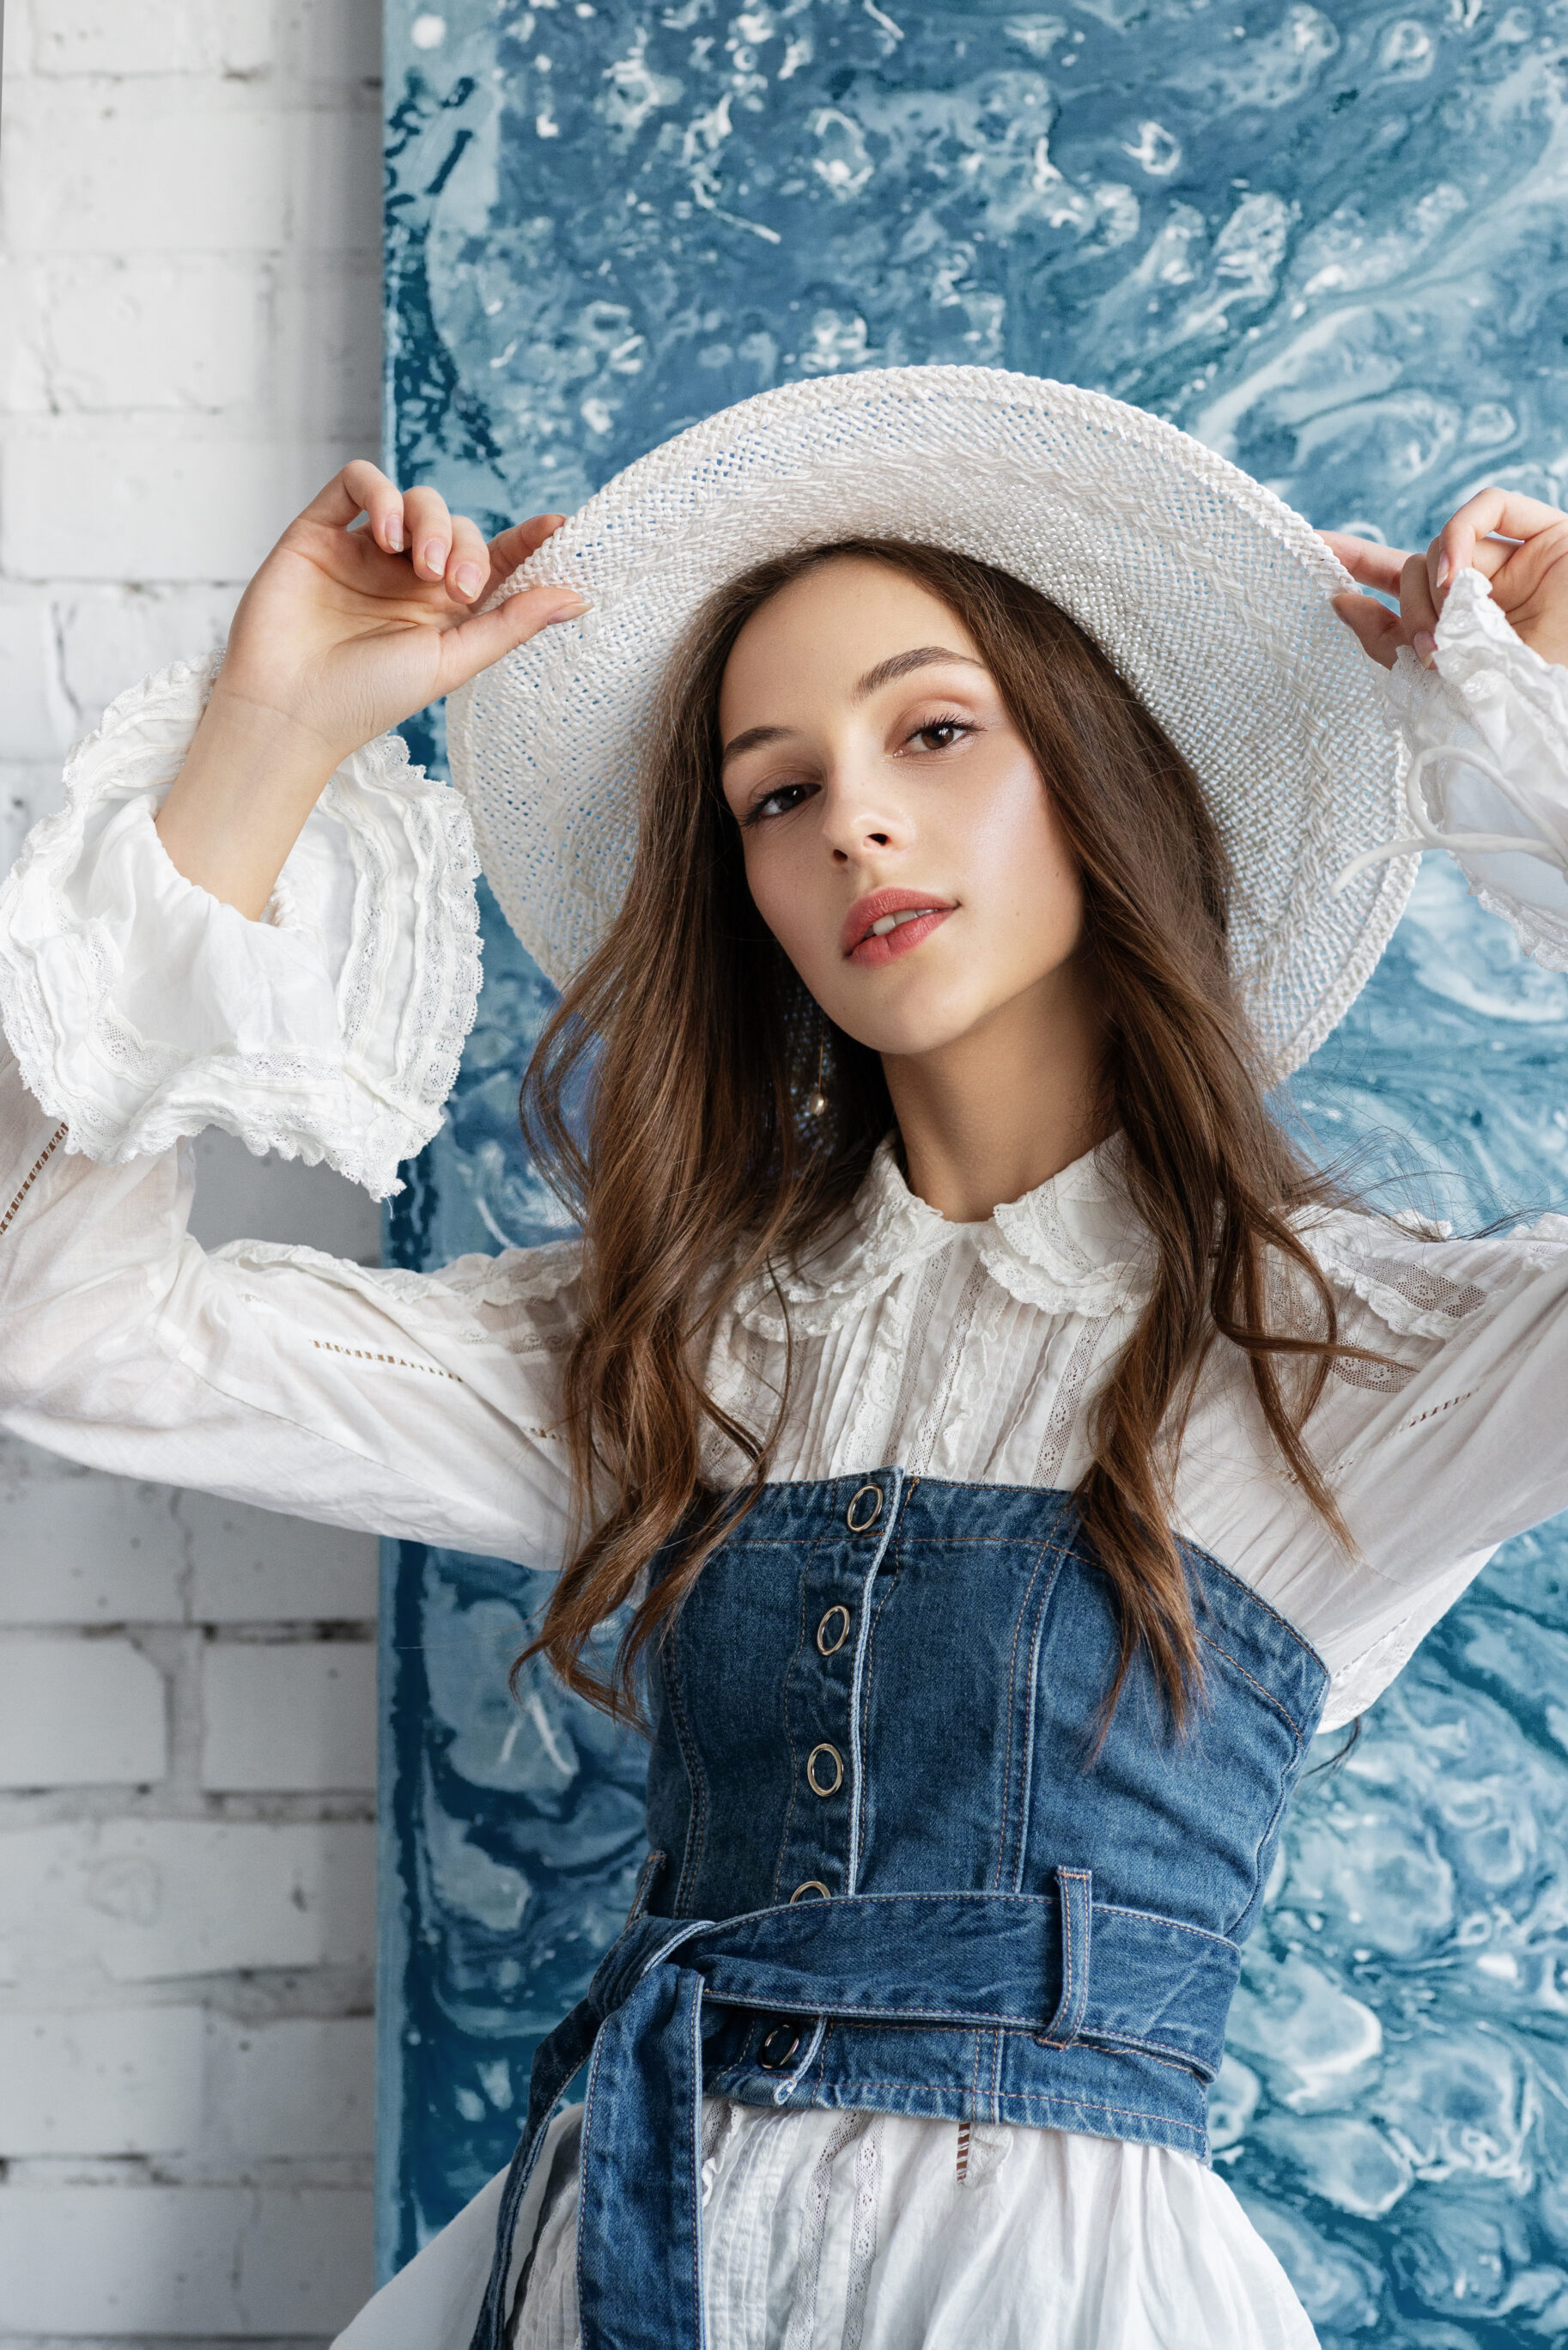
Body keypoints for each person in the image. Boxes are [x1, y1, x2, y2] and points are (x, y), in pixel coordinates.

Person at [3, 369, 1568, 2350]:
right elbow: (64, 1331)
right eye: (776, 791)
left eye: (931, 729)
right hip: (612, 2265)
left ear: (1094, 769)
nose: (858, 823)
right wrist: (270, 738)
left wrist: (1553, 721)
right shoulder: (677, 1341)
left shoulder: (1336, 1352)